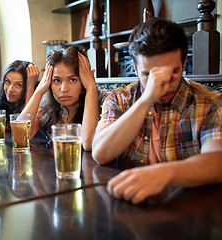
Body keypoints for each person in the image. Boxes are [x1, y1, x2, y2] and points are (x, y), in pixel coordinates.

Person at [92, 18, 222, 204]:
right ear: (135, 69)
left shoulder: (211, 102)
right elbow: (100, 153)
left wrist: (165, 173)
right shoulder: (119, 99)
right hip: (127, 205)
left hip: (188, 209)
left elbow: (218, 162)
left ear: (184, 62)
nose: (162, 83)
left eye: (171, 72)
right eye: (148, 75)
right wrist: (146, 100)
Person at [21, 45, 107, 151]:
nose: (64, 89)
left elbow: (89, 144)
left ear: (87, 78)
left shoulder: (105, 101)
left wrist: (91, 88)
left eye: (72, 80)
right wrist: (38, 91)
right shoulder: (48, 106)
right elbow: (20, 137)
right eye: (57, 80)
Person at [0, 60, 39, 125]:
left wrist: (30, 88)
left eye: (18, 85)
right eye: (7, 81)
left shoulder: (39, 106)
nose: (10, 89)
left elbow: (23, 128)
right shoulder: (2, 100)